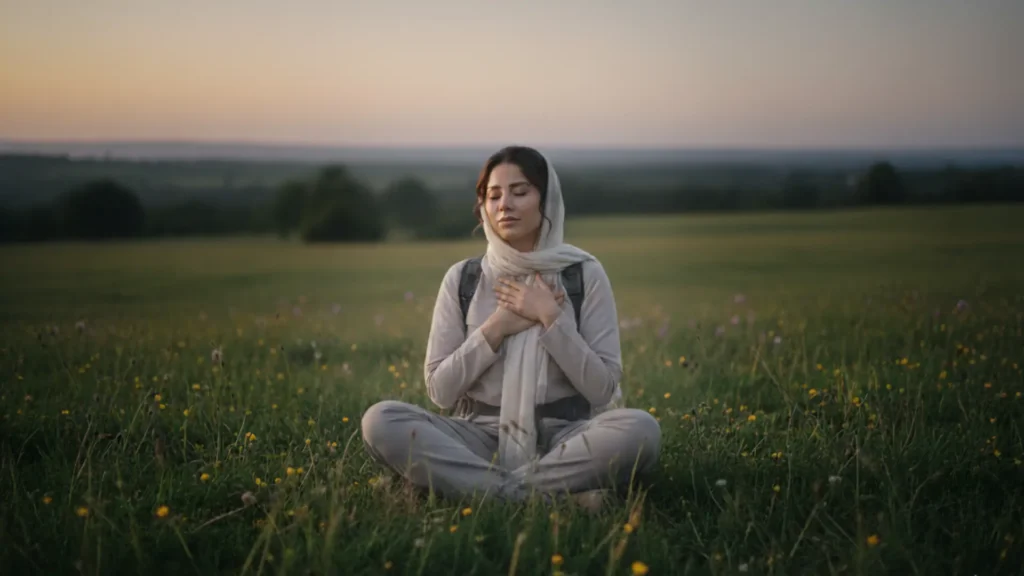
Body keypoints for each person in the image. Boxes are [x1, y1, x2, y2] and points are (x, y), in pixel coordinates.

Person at [361, 145, 661, 506]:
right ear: (483, 207)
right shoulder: (463, 278)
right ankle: (554, 499)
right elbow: (440, 391)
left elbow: (602, 391)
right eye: (494, 195)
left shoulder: (584, 274)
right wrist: (497, 327)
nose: (505, 204)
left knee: (641, 430)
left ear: (546, 200)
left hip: (564, 437)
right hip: (477, 434)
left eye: (520, 192)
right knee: (381, 420)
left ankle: (472, 488)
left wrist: (551, 317)